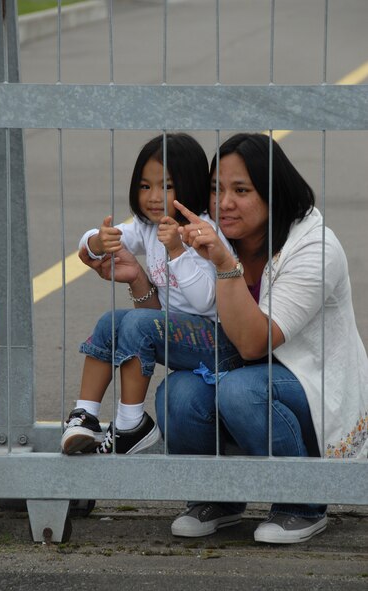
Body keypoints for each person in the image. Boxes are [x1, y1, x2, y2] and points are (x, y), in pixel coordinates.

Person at [151, 133, 368, 544]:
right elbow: (177, 321)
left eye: (241, 191)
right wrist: (138, 280)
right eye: (216, 189)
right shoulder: (214, 233)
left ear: (273, 194)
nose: (224, 203)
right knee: (175, 393)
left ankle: (302, 505)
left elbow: (254, 343)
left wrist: (223, 264)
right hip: (241, 373)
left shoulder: (313, 247)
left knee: (240, 390)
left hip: (308, 384)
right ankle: (217, 499)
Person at [61, 133, 240, 456]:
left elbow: (204, 301)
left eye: (166, 186)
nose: (154, 197)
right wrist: (97, 242)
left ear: (190, 185)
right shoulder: (148, 226)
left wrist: (176, 250)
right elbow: (97, 237)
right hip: (177, 334)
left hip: (219, 342)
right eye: (145, 186)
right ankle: (84, 415)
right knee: (111, 322)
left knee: (139, 324)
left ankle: (131, 424)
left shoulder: (203, 231)